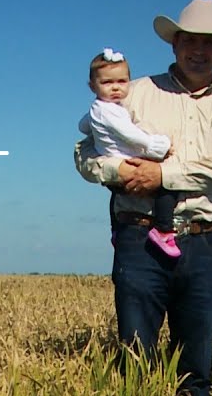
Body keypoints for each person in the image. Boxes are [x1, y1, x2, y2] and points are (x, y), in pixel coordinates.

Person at [75, 0, 212, 396]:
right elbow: (85, 152)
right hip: (138, 236)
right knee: (136, 347)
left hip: (202, 238)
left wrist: (163, 175)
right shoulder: (133, 90)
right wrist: (118, 170)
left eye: (209, 43)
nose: (199, 50)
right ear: (175, 43)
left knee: (196, 353)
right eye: (190, 41)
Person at [77, 48, 179, 257]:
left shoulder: (97, 108)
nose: (115, 88)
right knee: (166, 188)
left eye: (122, 82)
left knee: (117, 196)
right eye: (107, 83)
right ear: (92, 86)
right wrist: (157, 146)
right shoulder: (111, 111)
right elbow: (131, 135)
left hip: (110, 161)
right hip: (126, 159)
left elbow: (83, 126)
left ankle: (115, 230)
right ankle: (163, 230)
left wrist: (96, 130)